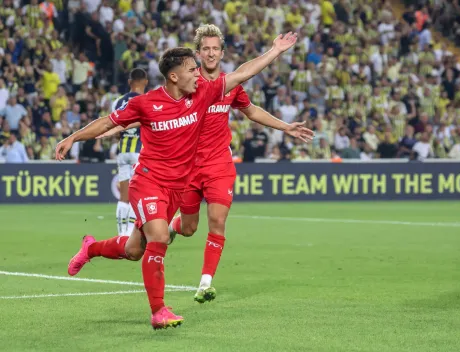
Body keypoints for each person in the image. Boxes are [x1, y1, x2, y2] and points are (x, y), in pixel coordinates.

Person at [55, 32, 302, 330]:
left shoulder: (203, 95)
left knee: (135, 251)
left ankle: (90, 248)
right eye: (191, 69)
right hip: (148, 182)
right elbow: (108, 121)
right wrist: (73, 137)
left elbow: (242, 74)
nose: (198, 73)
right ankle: (158, 311)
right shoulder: (146, 103)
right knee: (159, 238)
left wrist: (274, 49)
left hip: (177, 188)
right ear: (173, 76)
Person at [105, 25, 313, 303]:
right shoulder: (187, 85)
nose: (211, 53)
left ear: (222, 52)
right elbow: (150, 109)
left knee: (217, 221)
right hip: (187, 169)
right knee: (188, 228)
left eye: (216, 48)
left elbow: (250, 109)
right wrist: (110, 128)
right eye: (206, 49)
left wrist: (284, 126)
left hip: (218, 165)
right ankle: (172, 229)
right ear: (199, 53)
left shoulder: (228, 85)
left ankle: (205, 283)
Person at [110, 68, 147, 237]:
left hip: (122, 152)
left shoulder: (118, 102)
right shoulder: (146, 100)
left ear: (129, 82)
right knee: (137, 195)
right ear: (145, 82)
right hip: (139, 152)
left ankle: (121, 234)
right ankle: (131, 233)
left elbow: (114, 128)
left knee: (123, 196)